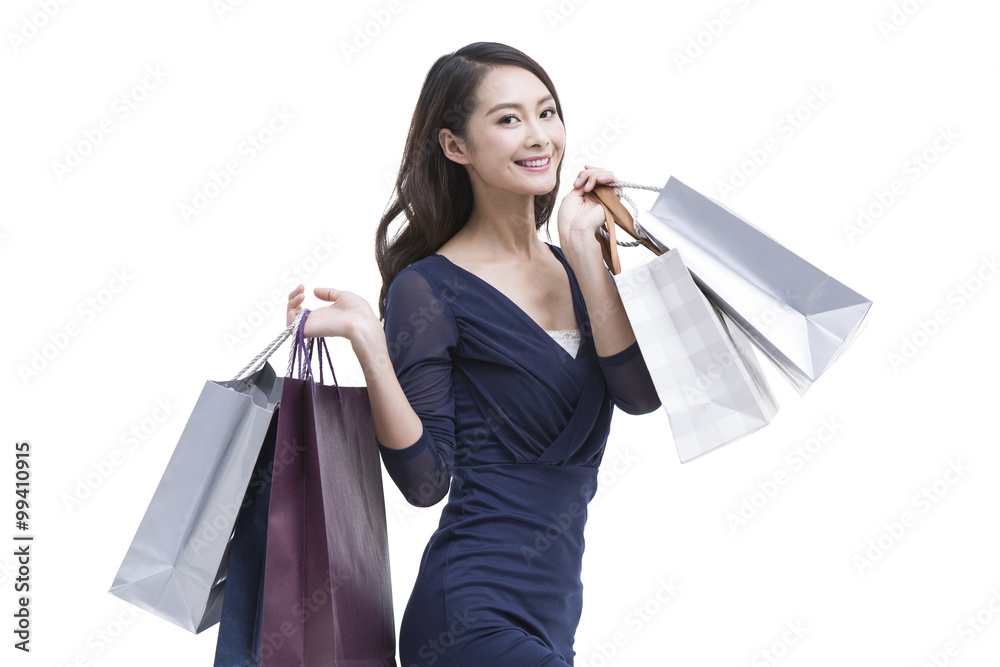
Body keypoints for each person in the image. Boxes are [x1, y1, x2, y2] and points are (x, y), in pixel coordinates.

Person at [286, 41, 661, 666]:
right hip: (465, 615)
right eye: (508, 119)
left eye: (547, 112)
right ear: (455, 146)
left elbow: (640, 396)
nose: (539, 136)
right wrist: (372, 348)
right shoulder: (428, 289)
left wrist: (581, 247)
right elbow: (426, 481)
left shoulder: (576, 266)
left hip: (554, 615)